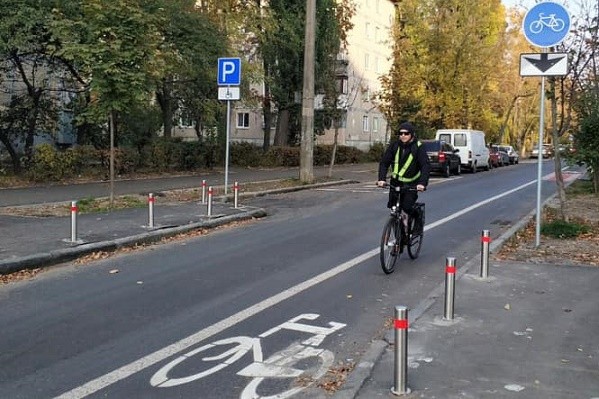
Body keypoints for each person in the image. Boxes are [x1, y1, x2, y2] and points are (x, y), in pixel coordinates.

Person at [377, 121, 430, 221]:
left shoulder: (418, 147)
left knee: (407, 207)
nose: (403, 136)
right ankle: (397, 229)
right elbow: (384, 163)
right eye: (400, 133)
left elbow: (425, 166)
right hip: (396, 182)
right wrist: (381, 179)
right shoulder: (394, 145)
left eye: (406, 133)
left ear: (412, 134)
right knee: (393, 207)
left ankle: (417, 216)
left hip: (411, 183)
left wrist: (422, 183)